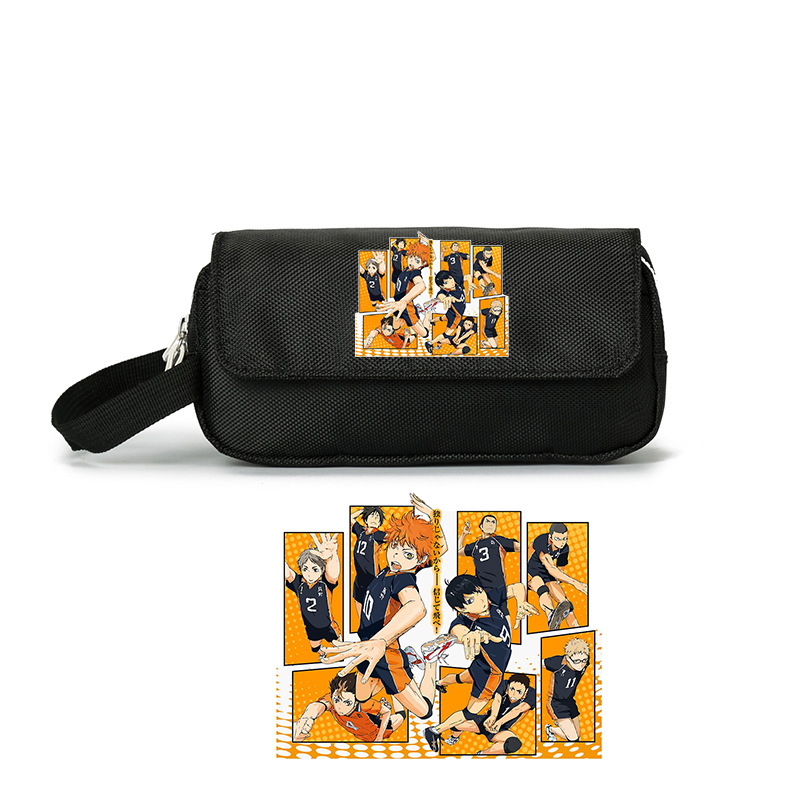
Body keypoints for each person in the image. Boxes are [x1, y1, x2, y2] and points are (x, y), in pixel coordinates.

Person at [320, 494, 448, 721]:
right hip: (368, 645)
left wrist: (380, 640)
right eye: (395, 548)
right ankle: (407, 662)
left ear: (419, 561)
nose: (397, 556)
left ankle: (430, 660)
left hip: (385, 652)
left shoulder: (404, 578)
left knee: (424, 712)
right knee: (361, 696)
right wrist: (432, 517)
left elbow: (416, 606)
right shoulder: (388, 570)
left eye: (407, 554)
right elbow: (440, 548)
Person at [422, 574, 536, 751]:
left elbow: (518, 587)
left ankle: (440, 683)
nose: (480, 599)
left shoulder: (490, 599)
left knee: (460, 678)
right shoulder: (467, 620)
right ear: (461, 609)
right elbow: (456, 630)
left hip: (481, 664)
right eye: (471, 600)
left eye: (479, 591)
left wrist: (521, 603)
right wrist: (468, 635)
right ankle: (434, 730)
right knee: (470, 713)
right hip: (492, 673)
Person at [436, 673, 536, 756]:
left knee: (514, 744)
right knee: (456, 723)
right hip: (485, 720)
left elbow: (518, 710)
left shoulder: (531, 694)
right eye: (512, 689)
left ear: (525, 692)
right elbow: (497, 699)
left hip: (501, 729)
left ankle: (482, 754)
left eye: (519, 692)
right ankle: (454, 738)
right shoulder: (504, 683)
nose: (514, 694)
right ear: (508, 687)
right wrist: (493, 717)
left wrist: (499, 723)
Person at [293, 672, 406, 743]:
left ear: (355, 701)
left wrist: (379, 737)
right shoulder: (332, 699)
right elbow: (317, 706)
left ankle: (393, 691)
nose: (339, 707)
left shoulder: (364, 704)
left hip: (379, 729)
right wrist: (305, 718)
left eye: (347, 703)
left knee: (401, 715)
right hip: (361, 735)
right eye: (337, 700)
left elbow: (386, 712)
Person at [284, 533, 341, 654]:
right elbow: (287, 572)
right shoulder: (299, 584)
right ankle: (323, 655)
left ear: (322, 570)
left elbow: (333, 574)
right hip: (311, 627)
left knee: (340, 647)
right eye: (305, 569)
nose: (309, 574)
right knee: (315, 649)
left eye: (315, 569)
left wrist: (332, 555)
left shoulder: (325, 583)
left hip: (328, 626)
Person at [458, 515, 525, 617]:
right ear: (481, 526)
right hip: (482, 591)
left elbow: (520, 547)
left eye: (493, 522)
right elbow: (459, 551)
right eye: (488, 521)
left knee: (505, 614)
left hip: (498, 586)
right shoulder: (475, 545)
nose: (490, 524)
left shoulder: (498, 540)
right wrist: (464, 533)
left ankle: (520, 613)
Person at [527, 523, 588, 630]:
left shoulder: (564, 548)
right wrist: (575, 583)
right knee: (542, 588)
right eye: (557, 539)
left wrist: (557, 584)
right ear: (550, 537)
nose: (562, 542)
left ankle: (576, 630)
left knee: (566, 604)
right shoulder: (542, 540)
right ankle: (551, 616)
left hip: (547, 573)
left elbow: (560, 569)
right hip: (529, 571)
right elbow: (550, 567)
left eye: (564, 539)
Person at [379, 235, 433, 340]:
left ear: (422, 264)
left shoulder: (415, 272)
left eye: (417, 261)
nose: (412, 262)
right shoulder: (406, 269)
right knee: (396, 326)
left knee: (424, 334)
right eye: (411, 258)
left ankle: (428, 311)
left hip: (406, 306)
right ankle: (416, 314)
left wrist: (404, 301)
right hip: (399, 303)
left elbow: (421, 285)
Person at [543, 637, 591, 742]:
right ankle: (550, 729)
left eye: (584, 660)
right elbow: (539, 662)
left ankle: (558, 726)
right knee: (573, 738)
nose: (581, 664)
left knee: (578, 735)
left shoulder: (586, 661)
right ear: (568, 658)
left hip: (570, 701)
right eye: (577, 661)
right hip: (556, 703)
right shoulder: (558, 662)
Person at [350, 506, 387, 618]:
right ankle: (362, 625)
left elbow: (393, 537)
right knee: (358, 600)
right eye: (372, 515)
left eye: (377, 517)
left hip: (372, 577)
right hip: (359, 577)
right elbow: (350, 518)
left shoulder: (378, 534)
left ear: (380, 523)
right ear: (366, 520)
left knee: (373, 606)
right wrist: (365, 510)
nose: (375, 518)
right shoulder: (361, 531)